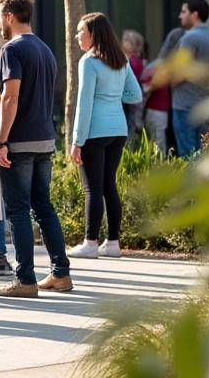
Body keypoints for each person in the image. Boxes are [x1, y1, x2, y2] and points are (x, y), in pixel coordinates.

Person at [0, 0, 73, 299]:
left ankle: (25, 280)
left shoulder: (12, 50)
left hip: (20, 141)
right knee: (43, 207)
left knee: (19, 210)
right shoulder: (45, 49)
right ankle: (61, 274)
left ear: (9, 16)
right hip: (45, 139)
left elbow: (10, 97)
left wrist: (1, 141)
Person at [67, 13, 141, 259]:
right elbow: (135, 94)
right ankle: (113, 243)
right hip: (118, 130)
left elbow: (84, 103)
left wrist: (77, 141)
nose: (77, 36)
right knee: (109, 185)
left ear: (94, 34)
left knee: (93, 188)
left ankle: (90, 243)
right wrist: (112, 98)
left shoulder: (89, 62)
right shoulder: (121, 60)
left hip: (94, 132)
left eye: (81, 32)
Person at [171, 0, 209, 158]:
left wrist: (168, 81)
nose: (180, 16)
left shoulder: (189, 38)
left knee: (188, 157)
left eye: (184, 12)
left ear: (195, 14)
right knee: (205, 156)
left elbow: (180, 73)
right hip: (206, 105)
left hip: (186, 106)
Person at [139, 28, 184, 153]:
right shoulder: (161, 65)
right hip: (157, 111)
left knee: (158, 144)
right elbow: (145, 88)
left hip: (158, 111)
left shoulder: (158, 64)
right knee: (159, 146)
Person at [120, 30, 147, 144]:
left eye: (128, 41)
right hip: (129, 99)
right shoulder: (131, 60)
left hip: (131, 100)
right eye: (124, 40)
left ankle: (129, 146)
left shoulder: (135, 61)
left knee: (130, 124)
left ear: (135, 46)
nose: (124, 42)